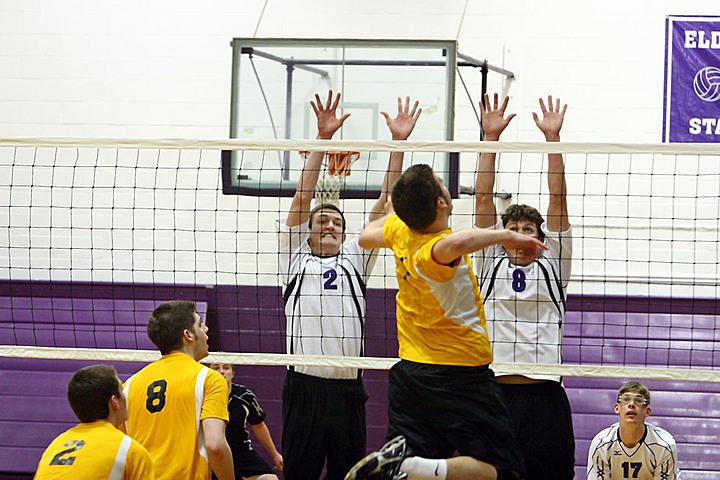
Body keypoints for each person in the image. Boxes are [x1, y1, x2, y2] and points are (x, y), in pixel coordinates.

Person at [349, 163, 547, 480]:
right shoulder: (432, 249)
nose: (445, 187)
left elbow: (364, 237)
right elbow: (456, 243)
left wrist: (393, 215)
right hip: (460, 374)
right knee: (502, 469)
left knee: (408, 473)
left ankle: (408, 464)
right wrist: (507, 235)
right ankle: (413, 465)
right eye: (442, 183)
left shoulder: (400, 231)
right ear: (441, 203)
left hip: (410, 372)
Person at [278, 90, 421, 480]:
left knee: (350, 474)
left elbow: (388, 200)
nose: (329, 226)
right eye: (322, 221)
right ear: (307, 231)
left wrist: (398, 144)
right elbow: (303, 195)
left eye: (337, 223)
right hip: (303, 387)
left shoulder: (355, 257)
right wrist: (322, 140)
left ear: (344, 234)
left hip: (347, 390)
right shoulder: (294, 258)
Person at [474, 93, 574, 480]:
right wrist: (490, 139)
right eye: (511, 229)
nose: (519, 235)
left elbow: (558, 199)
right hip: (494, 393)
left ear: (540, 237)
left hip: (544, 393)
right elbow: (483, 197)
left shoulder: (553, 263)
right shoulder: (489, 260)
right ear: (500, 237)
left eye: (527, 230)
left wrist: (553, 140)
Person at [122, 300, 234, 480]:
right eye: (200, 324)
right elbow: (215, 445)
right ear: (188, 335)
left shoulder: (128, 386)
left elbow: (121, 451)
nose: (205, 330)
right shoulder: (209, 379)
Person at [34, 364, 155, 480]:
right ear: (114, 402)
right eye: (121, 391)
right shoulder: (130, 451)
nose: (125, 397)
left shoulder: (55, 445)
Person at [587, 381, 681, 480]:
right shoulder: (601, 444)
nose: (631, 404)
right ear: (617, 408)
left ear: (647, 411)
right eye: (626, 399)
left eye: (638, 401)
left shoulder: (664, 445)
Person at [207, 362, 283, 480]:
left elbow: (259, 426)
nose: (221, 371)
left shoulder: (244, 396)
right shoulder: (201, 395)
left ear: (233, 373)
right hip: (210, 454)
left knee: (270, 479)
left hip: (240, 452)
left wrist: (275, 455)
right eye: (216, 368)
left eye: (226, 368)